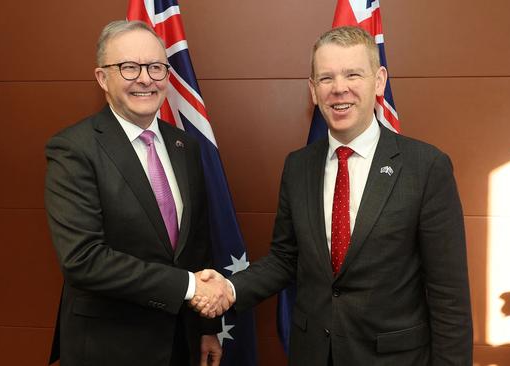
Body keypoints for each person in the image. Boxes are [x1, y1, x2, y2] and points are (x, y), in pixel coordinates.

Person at [193, 26, 473, 365]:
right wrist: (230, 289)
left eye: (353, 74)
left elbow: (449, 296)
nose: (339, 89)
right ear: (313, 90)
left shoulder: (426, 167)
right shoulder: (298, 166)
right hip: (312, 354)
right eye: (326, 78)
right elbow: (286, 258)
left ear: (379, 80)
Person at [44, 20, 229, 366]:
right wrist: (190, 287)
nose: (145, 79)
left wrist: (207, 327)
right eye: (129, 67)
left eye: (156, 67)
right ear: (103, 77)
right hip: (108, 347)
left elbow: (198, 245)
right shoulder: (73, 149)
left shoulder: (184, 146)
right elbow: (83, 260)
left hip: (180, 342)